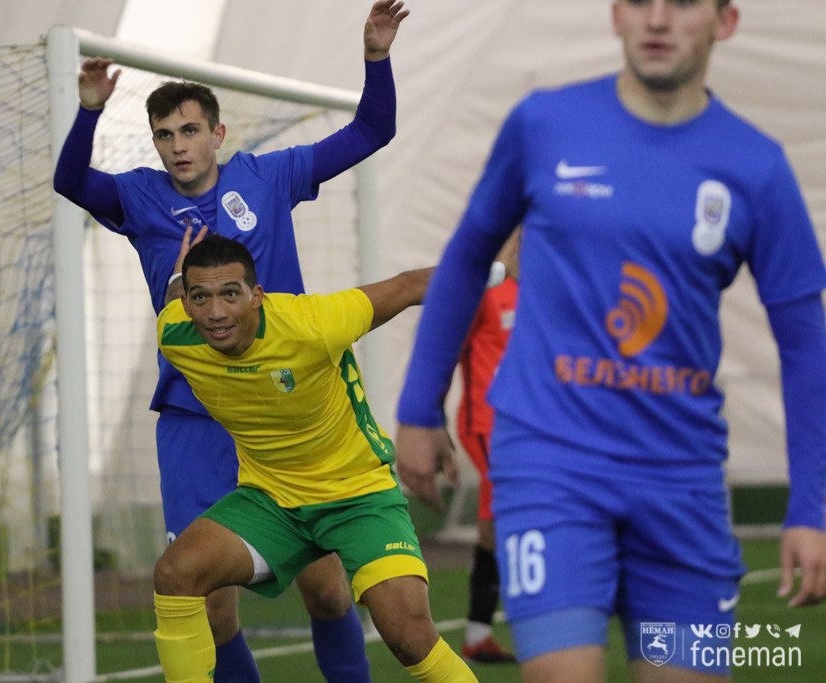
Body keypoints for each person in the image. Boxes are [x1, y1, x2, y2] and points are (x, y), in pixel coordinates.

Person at [394, 2, 826, 682]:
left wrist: (811, 506)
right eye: (641, 2)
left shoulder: (756, 166)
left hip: (681, 481)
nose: (658, 19)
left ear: (725, 21)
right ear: (617, 15)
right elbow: (468, 256)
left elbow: (804, 343)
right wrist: (419, 407)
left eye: (682, 3)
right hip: (549, 464)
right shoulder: (543, 123)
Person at [53, 3, 408, 681]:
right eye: (164, 135)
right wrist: (90, 111)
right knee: (207, 603)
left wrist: (376, 57)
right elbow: (70, 183)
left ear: (217, 133)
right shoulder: (140, 199)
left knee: (329, 591)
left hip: (284, 412)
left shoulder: (268, 176)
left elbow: (373, 129)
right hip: (195, 418)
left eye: (189, 130)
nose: (178, 145)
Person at [152, 233, 479, 683]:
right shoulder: (174, 334)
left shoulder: (314, 323)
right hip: (271, 501)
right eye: (201, 298)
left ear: (256, 296)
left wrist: (497, 270)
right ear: (187, 304)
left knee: (409, 637)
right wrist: (177, 275)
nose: (216, 312)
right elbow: (173, 299)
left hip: (358, 496)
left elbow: (408, 285)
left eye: (230, 294)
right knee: (175, 574)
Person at [455, 230, 520, 665]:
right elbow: (445, 351)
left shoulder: (526, 291)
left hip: (520, 428)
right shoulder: (480, 293)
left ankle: (478, 636)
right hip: (484, 425)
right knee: (517, 515)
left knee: (493, 527)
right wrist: (429, 420)